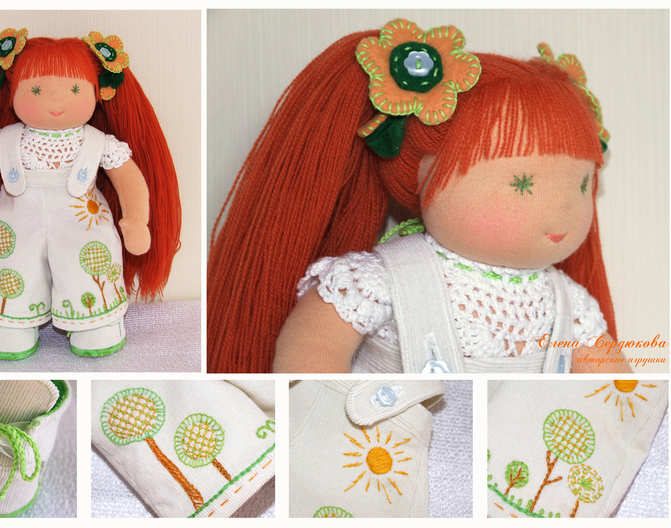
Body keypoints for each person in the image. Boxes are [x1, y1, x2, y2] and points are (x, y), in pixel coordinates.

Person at [208, 19, 629, 374]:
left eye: (582, 185)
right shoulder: (380, 282)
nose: (565, 210)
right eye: (522, 183)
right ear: (423, 174)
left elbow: (614, 388)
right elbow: (313, 356)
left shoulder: (568, 304)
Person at [0, 29, 181, 359]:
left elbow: (128, 179)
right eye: (36, 90)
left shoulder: (99, 143)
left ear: (97, 92)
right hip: (18, 226)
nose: (55, 102)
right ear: (13, 92)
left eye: (75, 89)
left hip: (83, 225)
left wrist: (136, 220)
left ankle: (95, 320)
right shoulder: (2, 140)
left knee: (87, 266)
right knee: (16, 266)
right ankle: (13, 321)